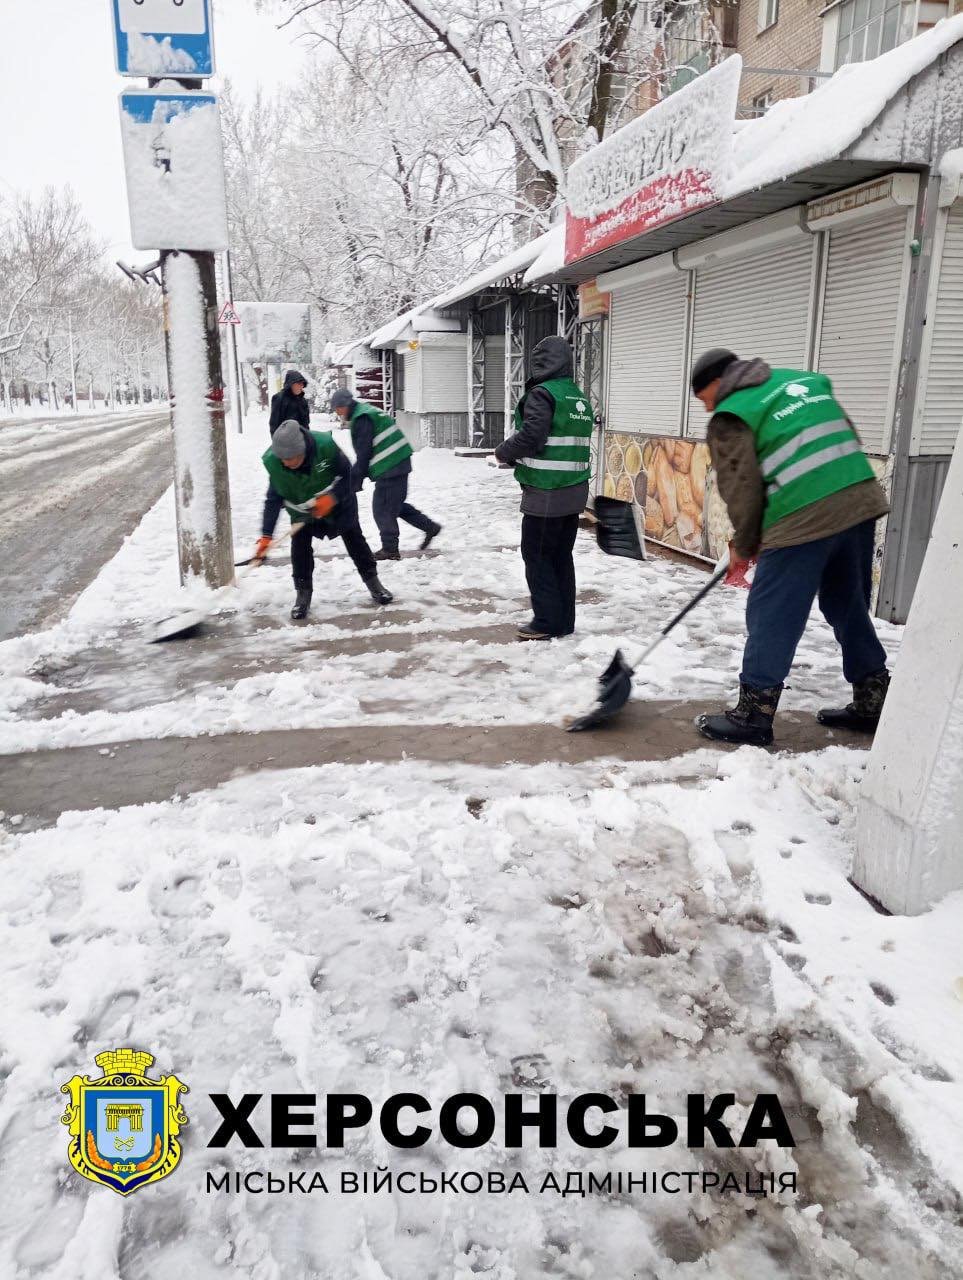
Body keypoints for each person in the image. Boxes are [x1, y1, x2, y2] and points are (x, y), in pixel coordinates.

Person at [690, 348, 891, 746]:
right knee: (846, 603)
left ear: (717, 382)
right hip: (858, 500)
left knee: (772, 612)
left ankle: (753, 716)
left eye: (703, 398)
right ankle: (874, 699)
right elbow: (847, 437)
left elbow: (741, 488)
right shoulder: (805, 384)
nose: (708, 408)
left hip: (802, 513)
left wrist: (744, 545)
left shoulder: (732, 414)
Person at [493, 336, 594, 641]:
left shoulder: (543, 394)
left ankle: (546, 621)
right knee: (560, 556)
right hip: (574, 491)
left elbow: (532, 436)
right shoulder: (576, 396)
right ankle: (563, 621)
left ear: (540, 362)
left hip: (546, 491)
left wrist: (502, 452)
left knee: (537, 556)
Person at [254, 419, 393, 619]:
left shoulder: (325, 447)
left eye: (289, 458)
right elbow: (273, 499)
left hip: (339, 504)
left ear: (301, 451)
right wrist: (266, 536)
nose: (285, 463)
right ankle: (303, 595)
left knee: (355, 540)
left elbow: (350, 476)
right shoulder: (276, 463)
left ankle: (374, 584)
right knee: (300, 548)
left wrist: (332, 498)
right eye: (282, 458)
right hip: (303, 510)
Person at [330, 389, 441, 561]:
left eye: (337, 409)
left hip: (391, 466)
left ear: (345, 405)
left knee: (382, 508)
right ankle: (430, 527)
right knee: (395, 505)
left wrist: (355, 481)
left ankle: (390, 549)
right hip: (397, 462)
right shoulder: (366, 412)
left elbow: (364, 454)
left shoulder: (362, 419)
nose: (338, 413)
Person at [269, 370, 310, 435]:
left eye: (302, 384)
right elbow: (274, 422)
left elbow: (306, 423)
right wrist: (276, 438)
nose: (301, 386)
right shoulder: (279, 398)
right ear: (291, 384)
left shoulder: (303, 401)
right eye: (299, 383)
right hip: (284, 437)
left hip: (301, 438)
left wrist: (307, 437)